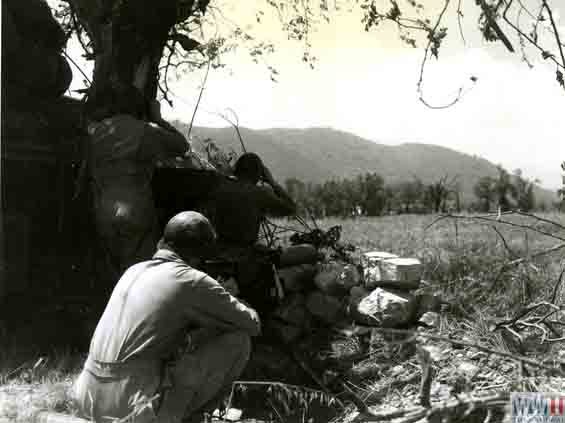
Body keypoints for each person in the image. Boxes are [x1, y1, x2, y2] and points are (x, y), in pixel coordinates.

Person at [73, 211, 261, 423]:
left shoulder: (134, 270)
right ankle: (193, 419)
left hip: (87, 397)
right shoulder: (192, 281)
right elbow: (252, 324)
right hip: (132, 408)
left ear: (163, 242)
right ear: (199, 253)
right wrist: (230, 297)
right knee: (238, 340)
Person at [85, 85, 189, 276]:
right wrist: (158, 119)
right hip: (135, 208)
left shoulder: (97, 131)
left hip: (102, 207)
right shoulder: (145, 132)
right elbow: (182, 146)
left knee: (111, 271)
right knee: (138, 271)